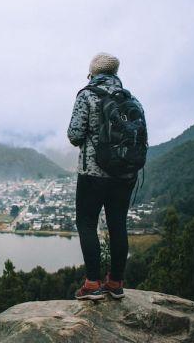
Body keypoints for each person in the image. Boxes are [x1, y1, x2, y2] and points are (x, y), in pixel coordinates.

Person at [67, 52, 144, 300]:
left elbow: (75, 135)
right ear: (115, 74)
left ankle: (92, 284)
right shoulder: (132, 100)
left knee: (87, 222)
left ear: (93, 73)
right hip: (125, 174)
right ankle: (115, 282)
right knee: (117, 224)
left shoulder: (87, 95)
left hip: (94, 173)